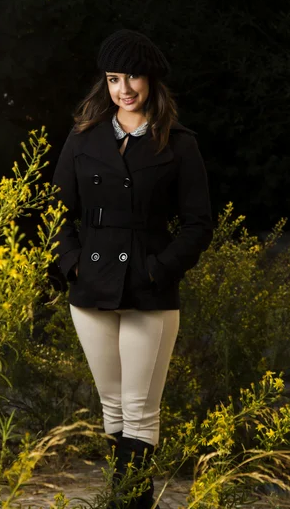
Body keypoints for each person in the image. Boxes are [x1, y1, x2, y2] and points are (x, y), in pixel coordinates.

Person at [51, 29, 213, 508]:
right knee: (113, 409)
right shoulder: (82, 139)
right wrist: (73, 264)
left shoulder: (179, 145)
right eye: (114, 78)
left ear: (152, 80)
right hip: (92, 292)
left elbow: (199, 224)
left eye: (133, 76)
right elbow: (55, 212)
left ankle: (130, 505)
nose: (124, 89)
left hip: (149, 292)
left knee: (140, 413)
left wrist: (158, 270)